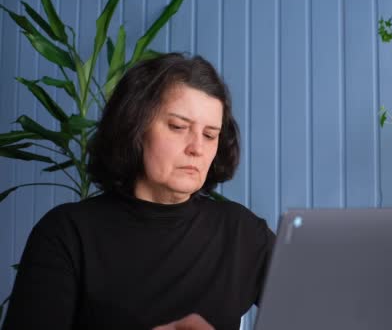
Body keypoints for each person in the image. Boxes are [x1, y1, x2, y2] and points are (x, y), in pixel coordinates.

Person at [2, 53, 275, 330]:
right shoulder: (66, 232)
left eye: (209, 135)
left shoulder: (243, 232)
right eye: (178, 127)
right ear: (135, 126)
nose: (197, 148)